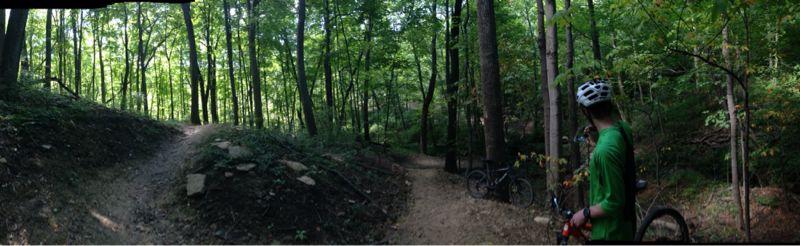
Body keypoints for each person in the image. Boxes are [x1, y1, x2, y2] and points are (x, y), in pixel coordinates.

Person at [569, 79, 636, 242]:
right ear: (609, 104)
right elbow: (613, 127)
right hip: (627, 224)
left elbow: (614, 202)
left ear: (586, 111)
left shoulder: (604, 151)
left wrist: (585, 213)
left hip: (609, 234)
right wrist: (597, 129)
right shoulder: (623, 129)